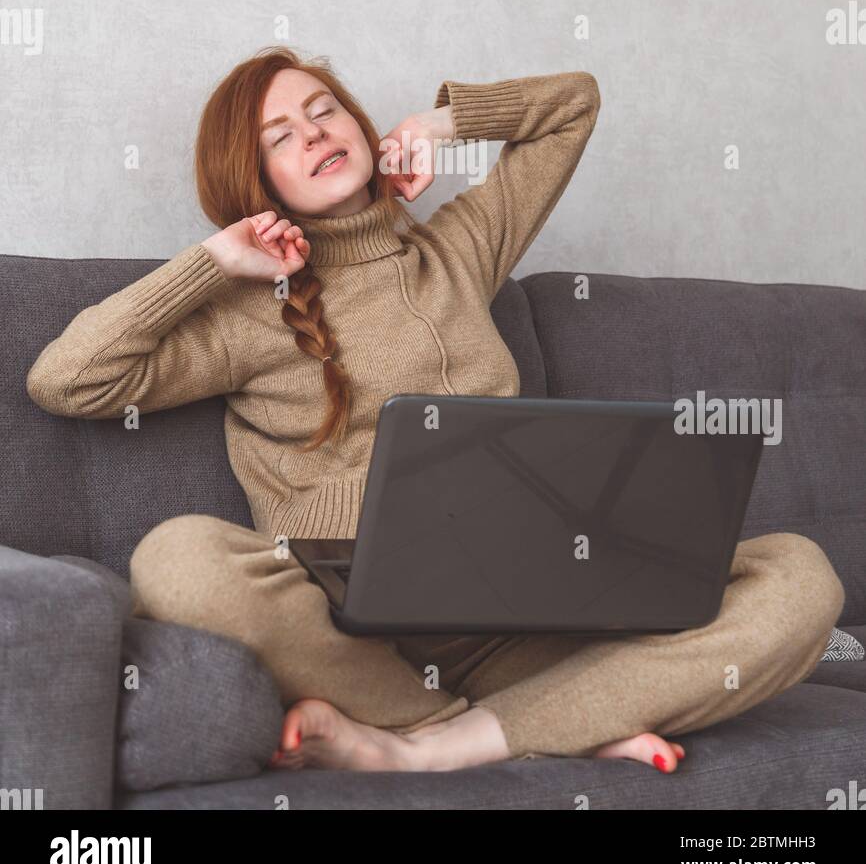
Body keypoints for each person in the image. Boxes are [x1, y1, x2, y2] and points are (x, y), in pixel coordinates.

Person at [25, 47, 845, 774]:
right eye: (280, 136)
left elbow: (574, 105)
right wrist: (211, 262)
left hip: (534, 604)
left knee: (799, 577)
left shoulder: (457, 248)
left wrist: (447, 124)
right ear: (257, 179)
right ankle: (515, 723)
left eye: (324, 110)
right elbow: (66, 379)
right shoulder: (248, 312)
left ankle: (451, 746)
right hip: (356, 626)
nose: (313, 132)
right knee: (178, 558)